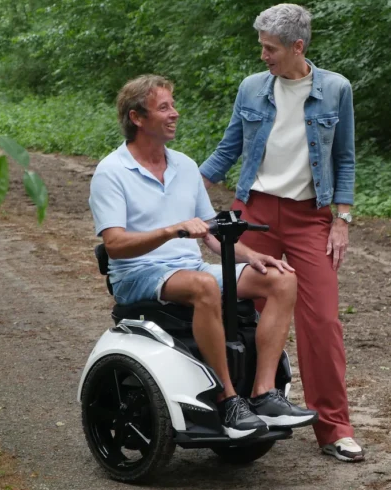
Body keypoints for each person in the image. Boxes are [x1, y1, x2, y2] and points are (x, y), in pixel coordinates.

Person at [88, 74, 317, 439]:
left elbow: (210, 232)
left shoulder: (184, 166)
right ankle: (228, 402)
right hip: (137, 274)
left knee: (281, 278)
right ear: (137, 118)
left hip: (189, 268)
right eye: (164, 107)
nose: (174, 113)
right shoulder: (111, 171)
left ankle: (263, 396)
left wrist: (253, 256)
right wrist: (171, 230)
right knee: (204, 284)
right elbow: (115, 245)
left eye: (173, 105)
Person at [200, 4, 363, 462]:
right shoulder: (253, 88)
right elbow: (229, 147)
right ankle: (238, 412)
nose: (263, 56)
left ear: (298, 47)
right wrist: (182, 187)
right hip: (252, 212)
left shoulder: (335, 90)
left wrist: (341, 220)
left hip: (310, 217)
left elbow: (345, 159)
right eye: (261, 47)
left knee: (323, 322)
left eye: (270, 48)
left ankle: (334, 429)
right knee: (239, 313)